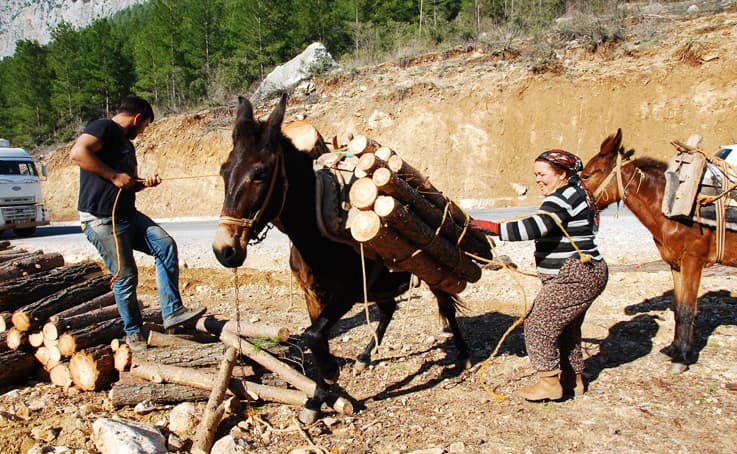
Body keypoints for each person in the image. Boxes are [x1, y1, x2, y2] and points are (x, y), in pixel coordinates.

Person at [69, 95, 205, 352]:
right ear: (137, 118)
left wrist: (143, 182)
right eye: (145, 126)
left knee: (164, 244)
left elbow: (124, 184)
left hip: (127, 214)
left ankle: (172, 311)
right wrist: (114, 175)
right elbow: (78, 153)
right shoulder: (104, 127)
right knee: (126, 275)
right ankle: (134, 334)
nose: (144, 132)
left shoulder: (125, 145)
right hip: (101, 219)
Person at [472, 149, 608, 401]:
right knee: (566, 328)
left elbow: (538, 226)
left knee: (538, 325)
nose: (538, 179)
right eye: (535, 174)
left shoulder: (562, 196)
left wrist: (490, 227)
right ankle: (572, 379)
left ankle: (549, 382)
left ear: (562, 174)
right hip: (585, 272)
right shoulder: (574, 193)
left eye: (543, 174)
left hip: (576, 273)